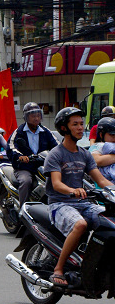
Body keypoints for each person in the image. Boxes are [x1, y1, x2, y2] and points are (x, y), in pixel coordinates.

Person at [44, 107, 113, 286]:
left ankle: (94, 262)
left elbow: (101, 180)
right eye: (75, 124)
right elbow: (57, 184)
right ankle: (59, 268)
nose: (80, 128)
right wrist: (72, 190)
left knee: (109, 222)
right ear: (64, 128)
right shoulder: (56, 154)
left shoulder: (84, 154)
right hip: (60, 204)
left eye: (81, 124)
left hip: (83, 203)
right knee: (80, 224)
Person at [7, 102, 59, 208]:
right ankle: (23, 210)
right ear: (26, 117)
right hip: (24, 167)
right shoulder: (19, 132)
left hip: (43, 166)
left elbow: (57, 146)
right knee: (26, 181)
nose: (36, 118)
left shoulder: (45, 131)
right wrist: (19, 157)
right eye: (33, 115)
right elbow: (11, 146)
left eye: (38, 115)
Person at [89, 117, 115, 182]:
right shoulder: (96, 147)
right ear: (101, 134)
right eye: (111, 135)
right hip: (102, 188)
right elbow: (97, 161)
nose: (114, 138)